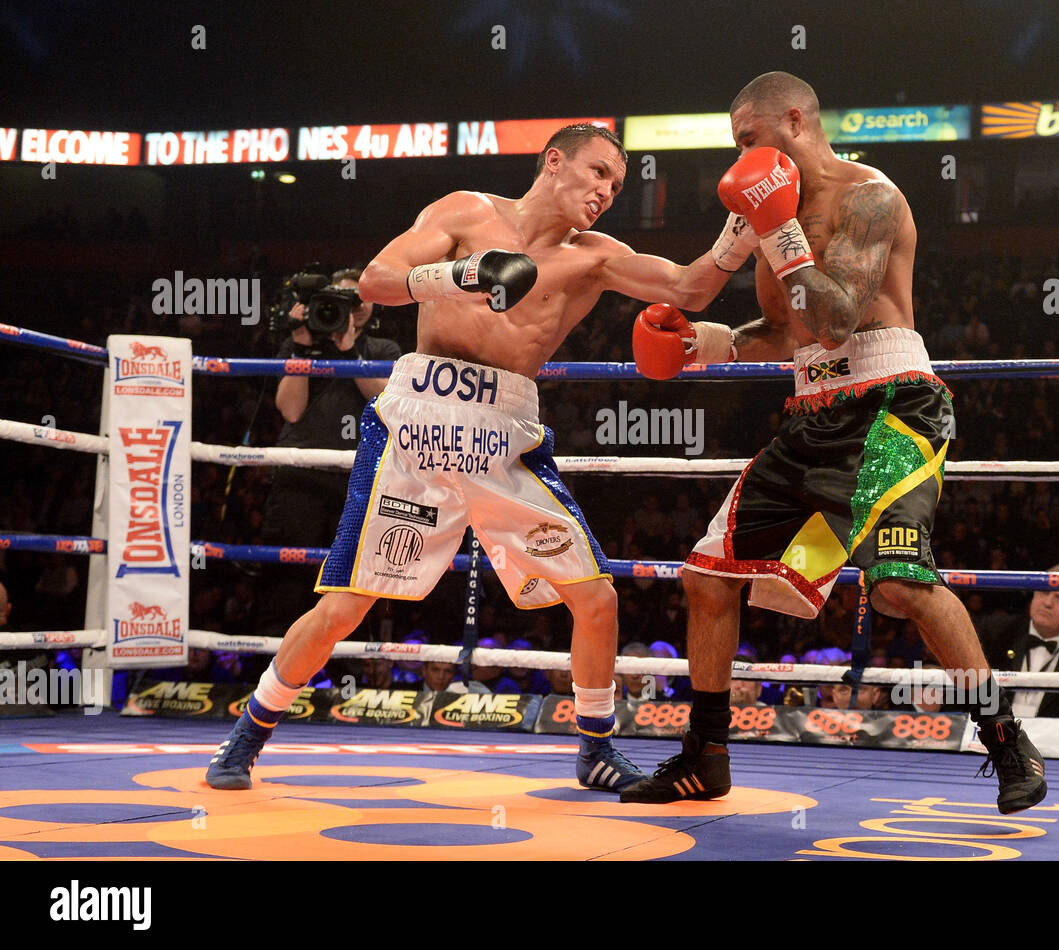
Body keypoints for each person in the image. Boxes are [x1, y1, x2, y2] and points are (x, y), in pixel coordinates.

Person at [207, 123, 755, 793]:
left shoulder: (595, 256)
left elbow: (690, 287)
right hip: (419, 429)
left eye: (616, 183)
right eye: (597, 173)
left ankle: (595, 748)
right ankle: (245, 737)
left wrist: (749, 222)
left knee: (597, 597)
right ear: (554, 162)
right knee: (345, 607)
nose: (607, 191)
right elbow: (377, 281)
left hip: (507, 437)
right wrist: (463, 277)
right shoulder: (466, 211)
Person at [620, 73, 1046, 814]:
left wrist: (778, 228)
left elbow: (839, 318)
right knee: (707, 577)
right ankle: (706, 755)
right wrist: (702, 343)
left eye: (748, 138)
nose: (742, 155)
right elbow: (786, 333)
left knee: (899, 586)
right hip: (812, 412)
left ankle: (1005, 738)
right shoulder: (756, 213)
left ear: (793, 120)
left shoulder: (870, 197)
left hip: (895, 406)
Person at [253, 269, 402, 647]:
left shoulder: (383, 349)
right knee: (285, 577)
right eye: (342, 299)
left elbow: (387, 403)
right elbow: (290, 410)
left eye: (359, 299)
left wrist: (348, 352)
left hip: (362, 481)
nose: (351, 307)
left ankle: (345, 679)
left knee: (354, 583)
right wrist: (302, 345)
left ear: (371, 304)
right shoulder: (299, 343)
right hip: (300, 476)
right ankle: (269, 674)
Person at [977, 563, 1059, 719]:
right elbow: (963, 696)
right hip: (987, 736)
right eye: (1044, 591)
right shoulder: (994, 632)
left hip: (1052, 741)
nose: (1048, 603)